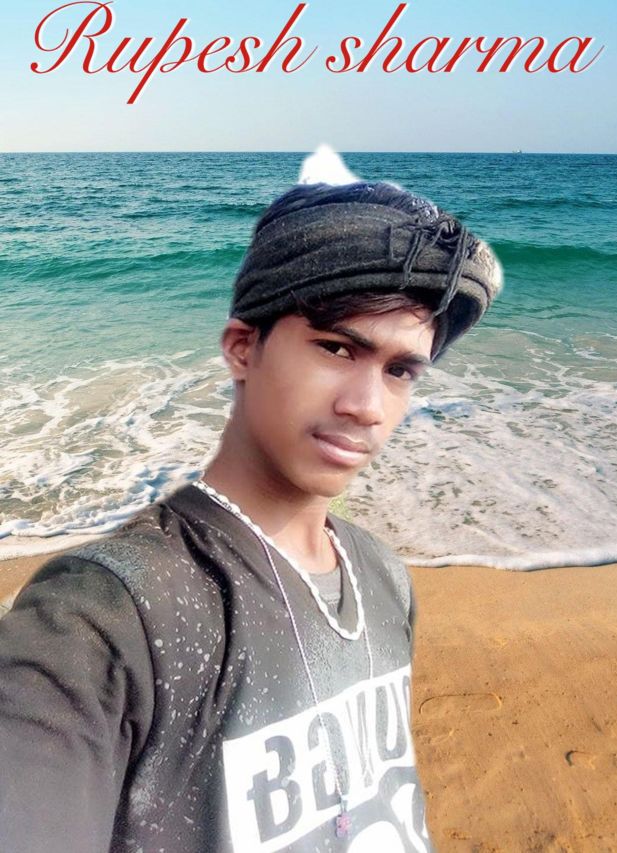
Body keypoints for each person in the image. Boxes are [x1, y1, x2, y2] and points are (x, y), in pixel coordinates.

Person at [0, 176, 501, 852]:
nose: (367, 406)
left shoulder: (382, 577)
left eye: (400, 371)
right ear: (243, 347)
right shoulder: (103, 614)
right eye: (336, 348)